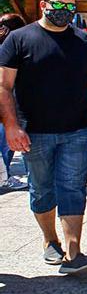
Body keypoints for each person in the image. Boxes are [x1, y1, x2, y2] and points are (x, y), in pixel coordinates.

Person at [0, 0, 87, 275]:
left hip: (77, 130)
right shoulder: (19, 40)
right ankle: (50, 240)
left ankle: (73, 252)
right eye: (59, 6)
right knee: (42, 190)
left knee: (73, 189)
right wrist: (11, 126)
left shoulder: (82, 41)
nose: (65, 13)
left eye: (70, 8)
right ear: (44, 5)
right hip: (34, 131)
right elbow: (4, 86)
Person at [0, 13, 27, 191]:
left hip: (9, 99)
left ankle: (5, 174)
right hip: (9, 100)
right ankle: (4, 176)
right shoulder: (12, 48)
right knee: (5, 141)